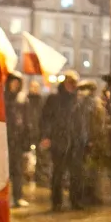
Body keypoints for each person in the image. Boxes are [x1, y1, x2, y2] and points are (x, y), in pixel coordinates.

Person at [38, 70, 85, 211]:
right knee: (58, 172)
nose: (71, 86)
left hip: (75, 141)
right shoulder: (54, 98)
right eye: (69, 82)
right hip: (59, 140)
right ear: (64, 83)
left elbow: (81, 121)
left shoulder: (78, 100)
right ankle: (57, 202)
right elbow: (46, 118)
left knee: (76, 173)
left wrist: (83, 137)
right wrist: (46, 136)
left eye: (74, 83)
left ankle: (75, 200)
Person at [5, 72, 32, 207]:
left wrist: (27, 139)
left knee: (17, 170)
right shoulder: (3, 97)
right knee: (3, 170)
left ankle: (18, 196)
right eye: (13, 82)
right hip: (4, 138)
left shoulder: (22, 99)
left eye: (17, 83)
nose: (15, 85)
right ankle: (3, 198)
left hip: (17, 140)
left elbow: (27, 120)